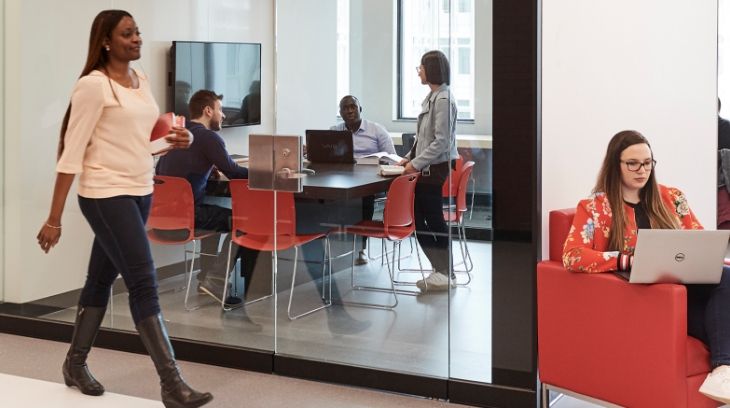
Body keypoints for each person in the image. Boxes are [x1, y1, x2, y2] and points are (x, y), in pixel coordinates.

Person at [35, 10, 213, 408]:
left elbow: (137, 143)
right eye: (127, 33)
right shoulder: (93, 86)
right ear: (106, 41)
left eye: (137, 32)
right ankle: (172, 383)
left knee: (100, 280)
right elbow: (71, 151)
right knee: (143, 279)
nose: (136, 39)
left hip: (139, 189)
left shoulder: (140, 80)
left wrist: (172, 143)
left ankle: (74, 364)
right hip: (104, 193)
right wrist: (54, 217)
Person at [562, 130, 730, 404]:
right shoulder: (596, 208)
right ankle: (723, 368)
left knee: (725, 277)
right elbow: (572, 255)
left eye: (648, 162)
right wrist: (624, 259)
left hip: (684, 292)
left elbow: (698, 238)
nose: (642, 170)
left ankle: (723, 370)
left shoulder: (672, 198)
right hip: (643, 299)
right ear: (616, 165)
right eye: (633, 163)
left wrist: (701, 256)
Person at [156, 90, 255, 309]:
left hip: (159, 217)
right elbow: (234, 172)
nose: (223, 115)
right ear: (208, 110)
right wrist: (265, 172)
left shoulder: (175, 134)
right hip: (188, 216)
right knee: (245, 223)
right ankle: (216, 282)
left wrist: (207, 169)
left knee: (216, 215)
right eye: (220, 110)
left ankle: (206, 281)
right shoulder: (209, 138)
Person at [399, 50, 459, 292]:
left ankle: (445, 272)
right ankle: (441, 270)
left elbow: (441, 141)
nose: (419, 72)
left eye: (421, 67)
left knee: (431, 221)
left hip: (433, 169)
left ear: (431, 69)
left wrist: (416, 164)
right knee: (422, 220)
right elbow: (423, 139)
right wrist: (406, 159)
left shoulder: (443, 99)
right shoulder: (433, 97)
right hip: (426, 167)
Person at [331, 95, 397, 264]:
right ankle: (336, 245)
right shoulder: (334, 131)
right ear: (340, 112)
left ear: (360, 109)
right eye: (345, 108)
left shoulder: (377, 130)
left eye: (353, 106)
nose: (350, 111)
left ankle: (360, 249)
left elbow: (392, 159)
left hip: (370, 181)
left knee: (363, 200)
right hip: (342, 179)